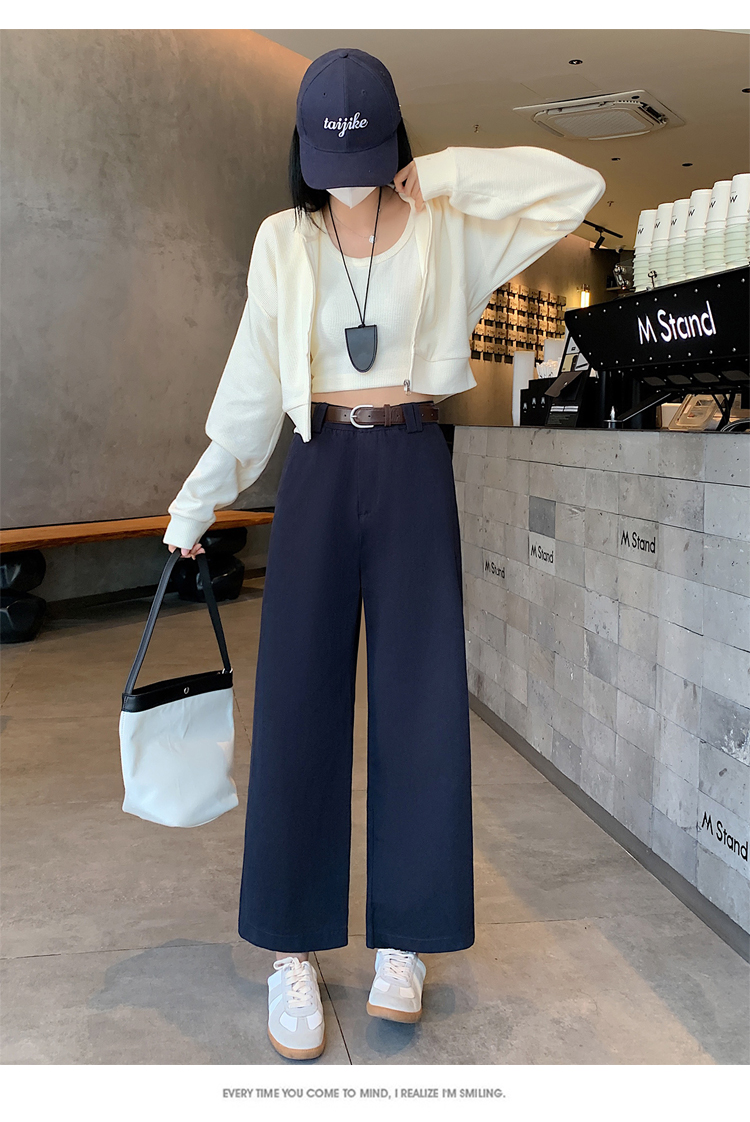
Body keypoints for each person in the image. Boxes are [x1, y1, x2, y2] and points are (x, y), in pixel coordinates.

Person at [163, 47, 605, 1060]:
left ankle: (405, 942)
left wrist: (441, 174)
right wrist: (198, 497)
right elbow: (250, 382)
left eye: (362, 158)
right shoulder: (284, 240)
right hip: (319, 466)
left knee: (421, 703)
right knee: (296, 705)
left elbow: (576, 188)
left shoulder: (448, 225)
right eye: (328, 162)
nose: (345, 181)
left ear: (393, 141)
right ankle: (291, 950)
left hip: (411, 464)